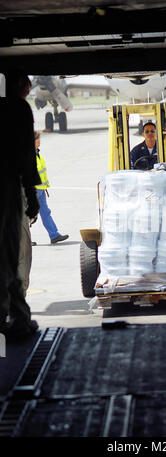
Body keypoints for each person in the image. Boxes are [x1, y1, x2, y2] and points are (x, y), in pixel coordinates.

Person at [0, 70, 41, 340]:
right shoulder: (17, 108)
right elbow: (27, 156)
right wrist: (32, 194)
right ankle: (16, 317)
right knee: (8, 252)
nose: (28, 91)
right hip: (5, 187)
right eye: (27, 86)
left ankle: (15, 314)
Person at [34, 131, 69, 244]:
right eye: (38, 139)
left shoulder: (37, 153)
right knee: (27, 217)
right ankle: (23, 241)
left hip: (40, 190)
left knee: (45, 212)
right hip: (32, 190)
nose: (40, 141)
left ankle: (54, 235)